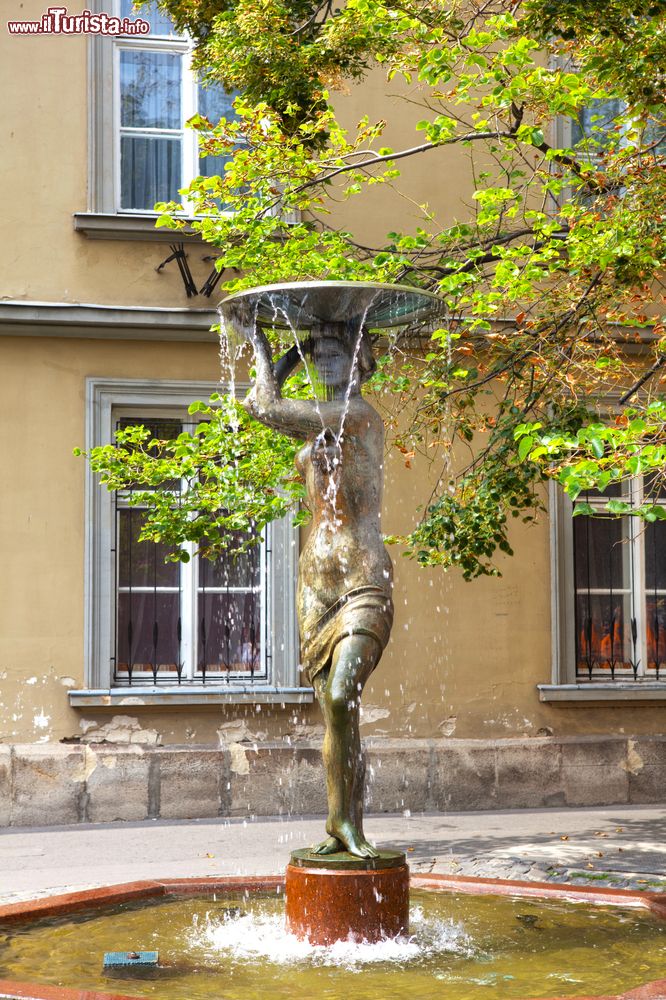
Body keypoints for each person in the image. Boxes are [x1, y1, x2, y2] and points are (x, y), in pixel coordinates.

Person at [243, 320, 394, 858]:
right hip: (315, 580)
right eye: (318, 353)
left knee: (340, 695)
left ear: (359, 362)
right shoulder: (315, 429)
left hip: (362, 576)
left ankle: (343, 822)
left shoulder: (359, 416)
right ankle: (342, 825)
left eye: (336, 352)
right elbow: (267, 407)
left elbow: (262, 406)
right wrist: (292, 355)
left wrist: (268, 350)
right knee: (337, 712)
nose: (325, 362)